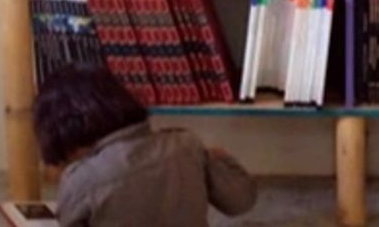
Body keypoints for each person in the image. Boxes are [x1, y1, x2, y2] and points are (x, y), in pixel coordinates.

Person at [33, 66, 257, 226]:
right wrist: (221, 159)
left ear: (69, 132)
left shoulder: (81, 180)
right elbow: (241, 201)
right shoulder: (186, 145)